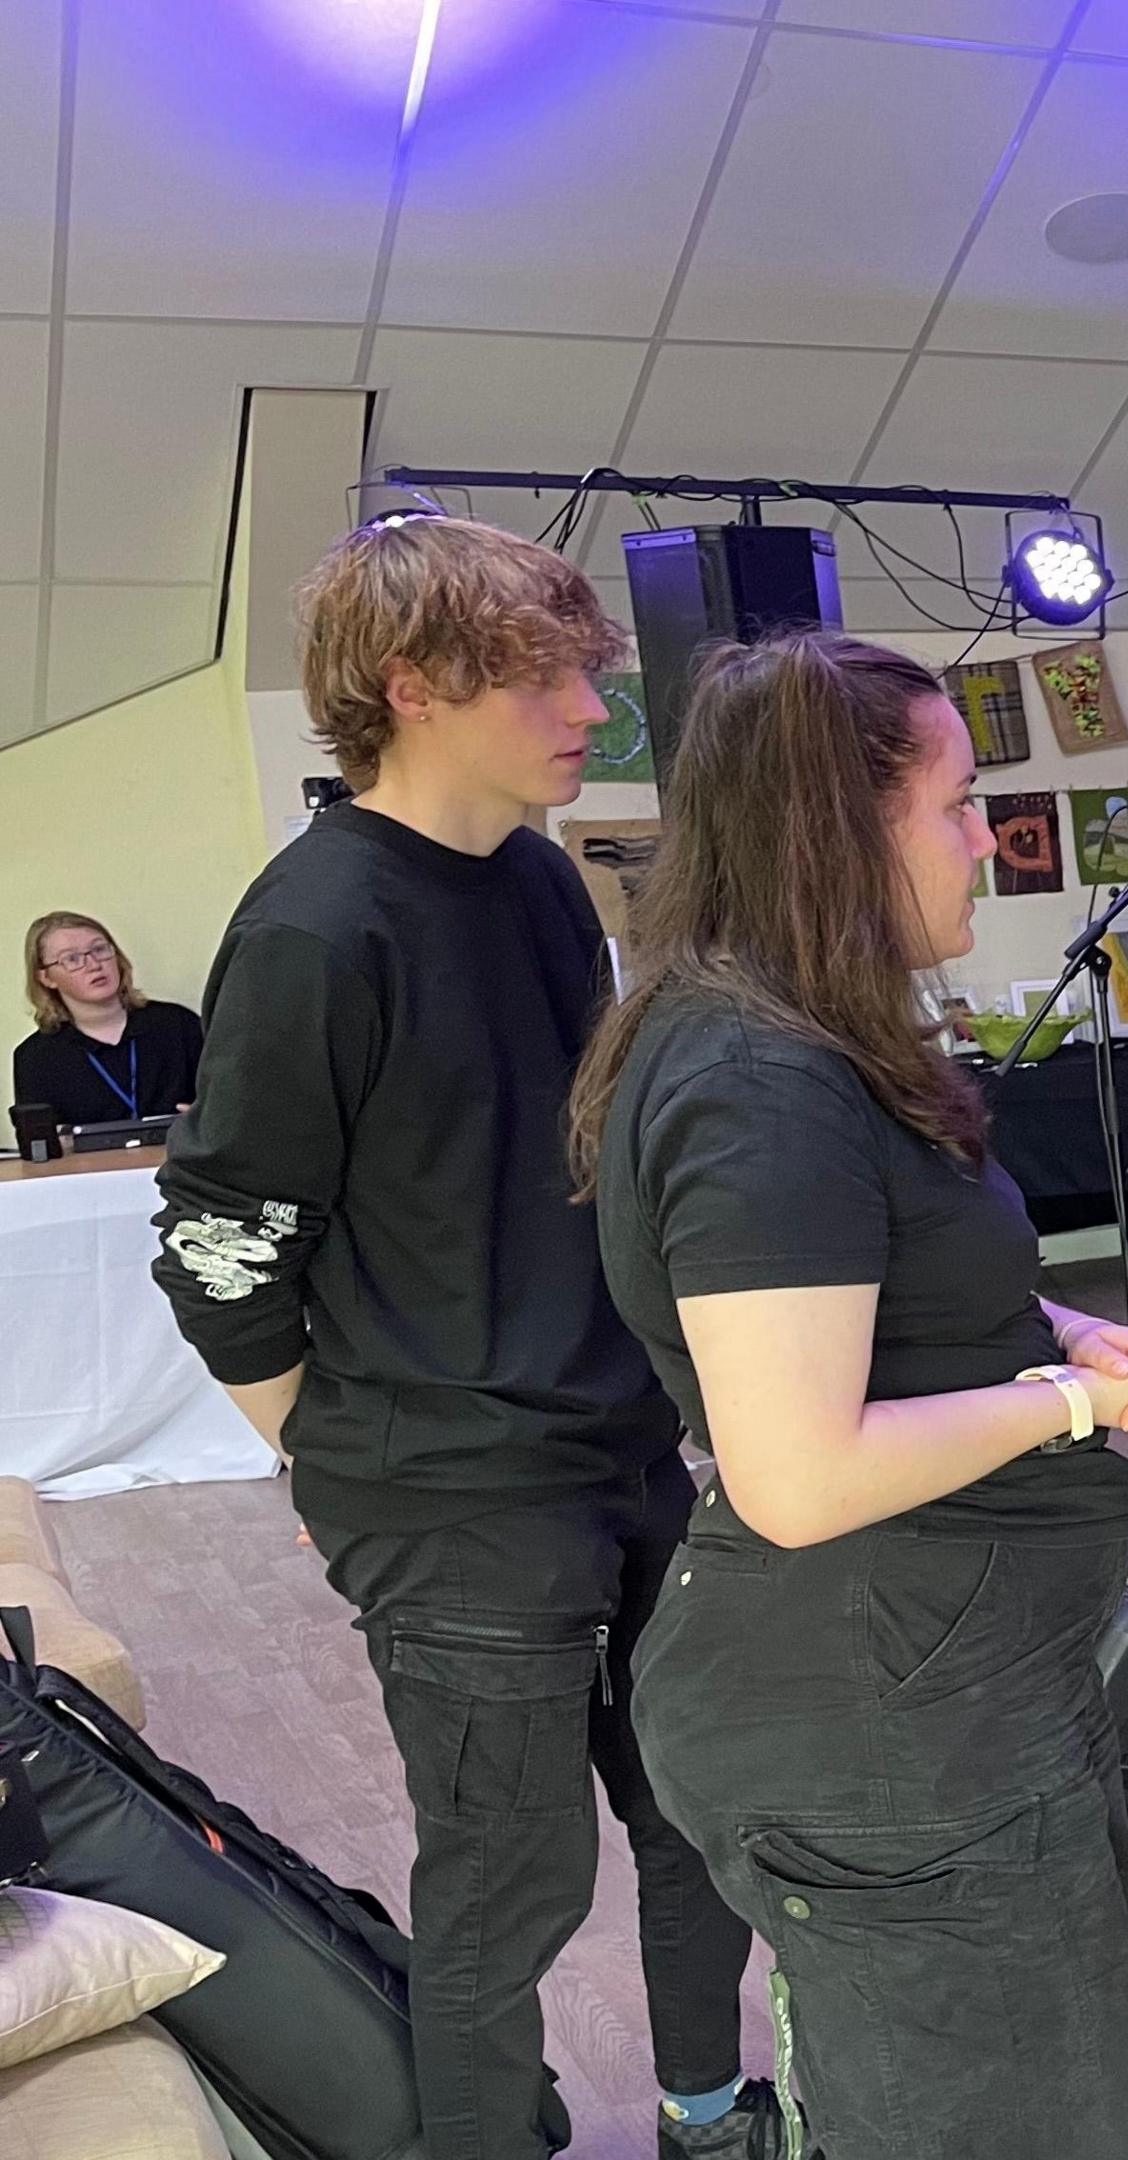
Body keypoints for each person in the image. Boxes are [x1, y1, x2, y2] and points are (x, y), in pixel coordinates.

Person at [149, 514, 768, 2160]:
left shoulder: (545, 888)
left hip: (616, 1448)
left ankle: (710, 2113)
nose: (588, 705)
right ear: (410, 685)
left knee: (703, 1808)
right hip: (445, 1493)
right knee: (513, 1877)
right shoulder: (316, 928)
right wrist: (324, 1455)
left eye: (585, 668)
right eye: (542, 673)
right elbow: (219, 1242)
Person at [570, 632, 1128, 2160]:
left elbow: (885, 1297)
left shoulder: (811, 1044)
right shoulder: (754, 1077)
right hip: (877, 1733)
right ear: (842, 828)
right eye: (956, 803)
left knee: (1116, 2081)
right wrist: (1064, 1399)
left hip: (961, 1695)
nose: (984, 837)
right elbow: (796, 1471)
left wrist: (1061, 1329)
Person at [18, 912, 202, 1127]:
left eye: (99, 949)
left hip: (179, 1158)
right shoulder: (35, 1057)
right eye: (72, 959)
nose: (94, 964)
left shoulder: (178, 1025)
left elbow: (228, 1102)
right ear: (46, 978)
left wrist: (208, 1120)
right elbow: (39, 1145)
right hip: (90, 1162)